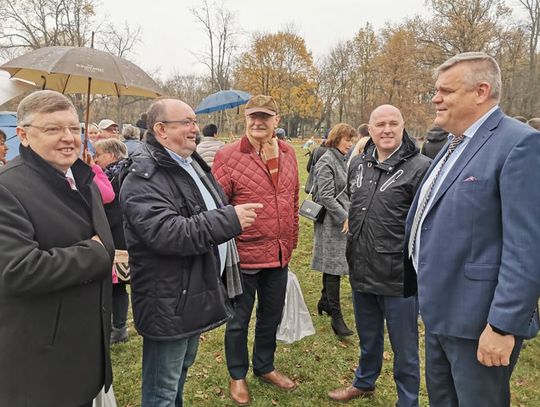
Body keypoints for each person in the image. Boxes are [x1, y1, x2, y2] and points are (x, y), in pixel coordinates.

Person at [405, 52, 540, 406]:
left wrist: (502, 326)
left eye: (445, 91)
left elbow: (527, 246)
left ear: (481, 91)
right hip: (440, 313)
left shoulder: (519, 144)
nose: (435, 98)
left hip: (479, 324)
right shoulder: (453, 144)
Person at [120, 97, 261, 407]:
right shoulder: (145, 175)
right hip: (168, 299)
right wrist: (230, 219)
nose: (194, 129)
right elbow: (167, 233)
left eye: (195, 122)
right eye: (185, 122)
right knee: (162, 390)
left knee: (180, 373)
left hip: (192, 291)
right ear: (160, 129)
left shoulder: (188, 161)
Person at [0, 90, 114, 407]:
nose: (68, 138)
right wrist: (96, 254)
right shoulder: (7, 188)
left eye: (74, 128)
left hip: (82, 349)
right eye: (53, 129)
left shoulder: (80, 177)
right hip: (42, 365)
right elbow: (17, 270)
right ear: (23, 135)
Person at [329, 105, 430, 406]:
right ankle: (364, 381)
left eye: (393, 124)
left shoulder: (421, 167)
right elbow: (354, 201)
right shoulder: (359, 162)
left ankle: (407, 400)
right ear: (370, 129)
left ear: (402, 127)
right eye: (380, 124)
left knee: (405, 346)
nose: (386, 130)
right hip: (361, 267)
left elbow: (426, 223)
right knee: (368, 335)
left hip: (399, 275)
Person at [213, 94, 300, 406]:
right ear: (245, 119)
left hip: (278, 255)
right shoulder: (228, 156)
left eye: (265, 117)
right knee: (238, 319)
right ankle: (238, 374)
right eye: (253, 117)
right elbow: (217, 209)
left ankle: (265, 366)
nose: (258, 122)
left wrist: (290, 243)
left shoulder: (289, 153)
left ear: (277, 120)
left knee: (270, 316)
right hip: (244, 256)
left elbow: (291, 201)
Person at [311, 123, 356, 338]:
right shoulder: (327, 161)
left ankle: (324, 301)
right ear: (337, 138)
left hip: (341, 220)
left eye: (351, 140)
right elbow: (326, 196)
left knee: (333, 264)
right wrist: (344, 216)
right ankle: (336, 317)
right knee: (334, 266)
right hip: (331, 222)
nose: (350, 143)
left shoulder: (341, 159)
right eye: (347, 139)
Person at [94, 138, 131, 344]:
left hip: (117, 235)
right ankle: (117, 326)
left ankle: (118, 327)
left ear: (110, 154)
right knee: (115, 284)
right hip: (116, 234)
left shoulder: (118, 176)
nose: (96, 158)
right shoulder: (117, 173)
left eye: (98, 154)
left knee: (115, 284)